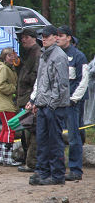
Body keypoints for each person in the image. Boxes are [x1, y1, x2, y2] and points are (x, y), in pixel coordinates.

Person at [26, 25, 70, 185]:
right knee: (42, 140)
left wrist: (50, 104)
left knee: (54, 141)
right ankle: (43, 172)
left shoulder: (59, 56)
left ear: (55, 37)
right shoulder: (44, 55)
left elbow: (62, 85)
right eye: (42, 36)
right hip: (44, 105)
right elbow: (41, 81)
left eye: (46, 36)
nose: (43, 38)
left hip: (55, 108)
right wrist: (37, 101)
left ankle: (57, 175)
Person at [57, 25, 88, 181]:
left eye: (61, 36)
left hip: (72, 104)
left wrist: (73, 99)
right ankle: (58, 168)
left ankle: (76, 170)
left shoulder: (78, 56)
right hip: (57, 103)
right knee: (57, 136)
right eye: (56, 35)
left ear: (68, 37)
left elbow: (84, 80)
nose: (57, 38)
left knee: (74, 136)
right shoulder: (55, 56)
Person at [16, 28, 41, 173]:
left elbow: (37, 77)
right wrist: (18, 64)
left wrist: (33, 100)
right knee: (26, 131)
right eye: (21, 37)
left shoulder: (37, 53)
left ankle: (32, 162)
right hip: (25, 98)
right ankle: (29, 160)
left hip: (31, 98)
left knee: (31, 131)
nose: (22, 40)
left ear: (33, 37)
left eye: (25, 37)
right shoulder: (29, 53)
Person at [0, 47, 21, 166]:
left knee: (5, 128)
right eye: (9, 56)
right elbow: (1, 85)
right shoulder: (3, 68)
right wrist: (14, 89)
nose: (12, 57)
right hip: (4, 103)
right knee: (10, 128)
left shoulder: (9, 68)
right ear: (4, 57)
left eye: (13, 55)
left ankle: (1, 157)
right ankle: (8, 158)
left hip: (5, 102)